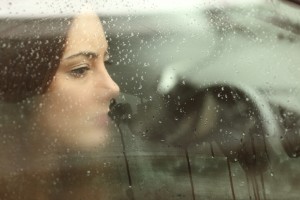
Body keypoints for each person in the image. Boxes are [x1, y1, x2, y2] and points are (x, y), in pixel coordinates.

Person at [0, 8, 122, 200]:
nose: (113, 88)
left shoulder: (89, 179)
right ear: (24, 84)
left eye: (107, 61)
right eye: (80, 69)